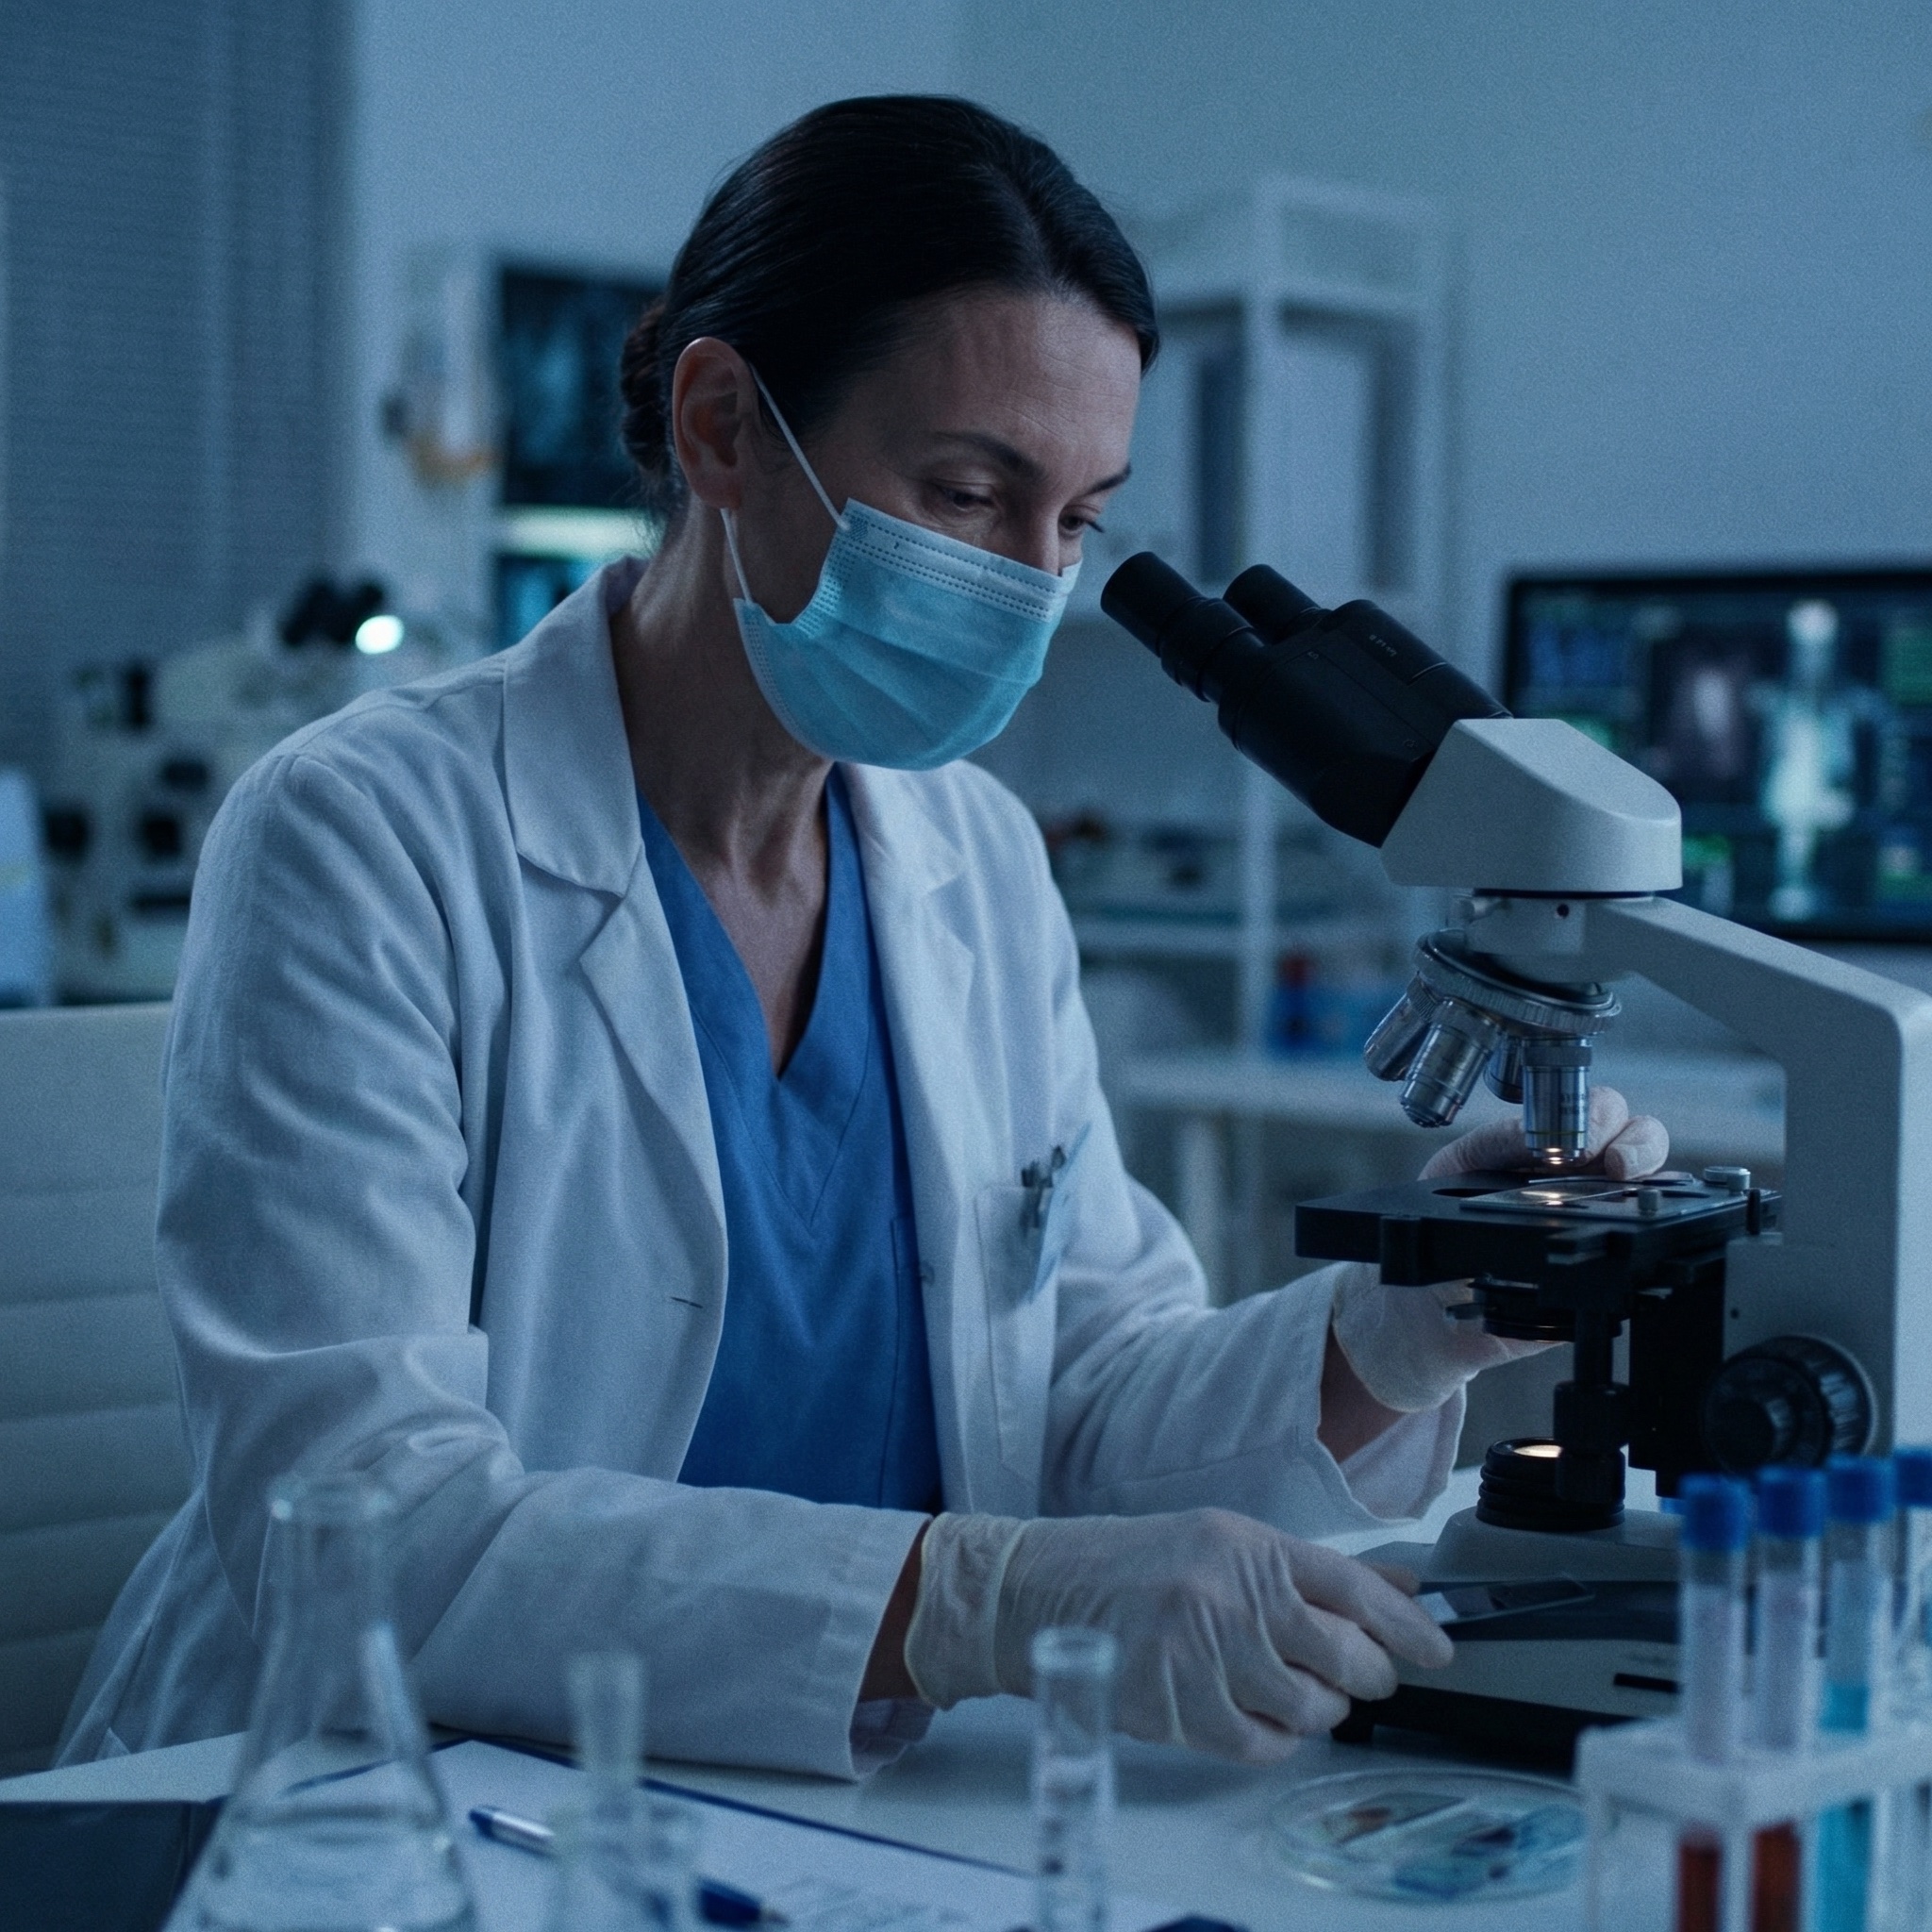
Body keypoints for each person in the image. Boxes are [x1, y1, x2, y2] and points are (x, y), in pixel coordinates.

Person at [59, 95, 1667, 1778]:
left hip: (837, 1815)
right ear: (725, 427)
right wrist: (971, 1598)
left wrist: (1401, 1328)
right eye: (971, 492)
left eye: (1079, 520)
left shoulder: (970, 858)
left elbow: (1090, 1402)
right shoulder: (366, 836)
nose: (1030, 584)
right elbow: (361, 1529)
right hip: (391, 1796)